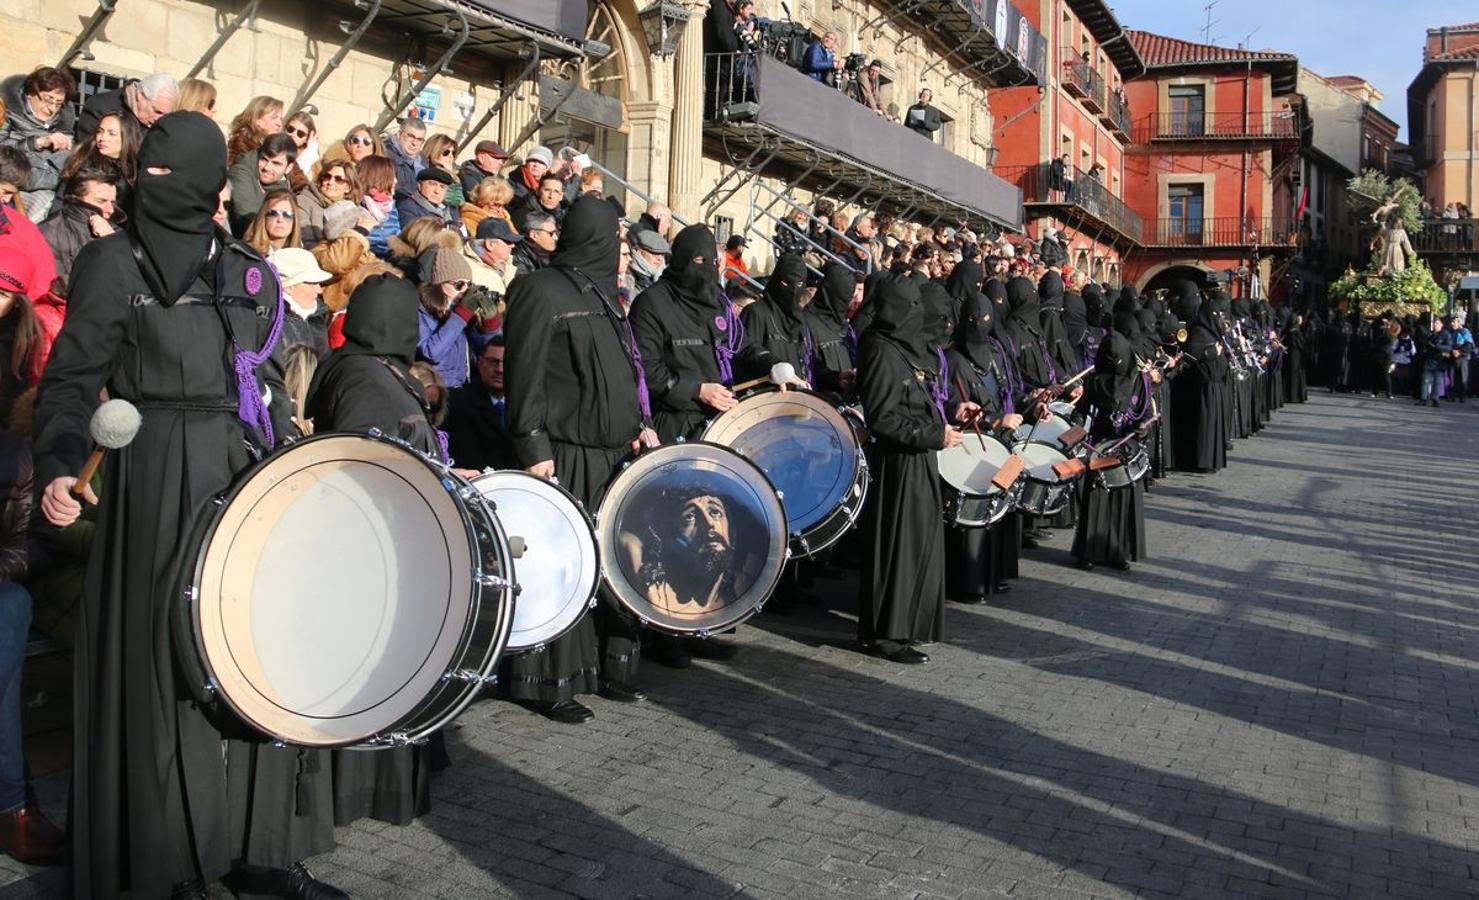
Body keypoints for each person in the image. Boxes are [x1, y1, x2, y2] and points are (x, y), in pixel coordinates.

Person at [32, 110, 343, 899]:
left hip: (241, 477)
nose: (157, 183)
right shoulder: (111, 261)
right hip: (149, 482)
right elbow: (70, 381)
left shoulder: (246, 269)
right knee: (160, 671)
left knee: (255, 661)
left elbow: (265, 381)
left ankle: (263, 852)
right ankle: (166, 863)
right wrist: (61, 466)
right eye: (151, 167)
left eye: (174, 170)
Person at [303, 274, 449, 830]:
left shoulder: (370, 369)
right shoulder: (366, 378)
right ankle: (369, 786)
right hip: (374, 548)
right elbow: (365, 464)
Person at [502, 195, 651, 722]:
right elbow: (525, 380)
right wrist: (533, 448)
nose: (621, 249)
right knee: (562, 568)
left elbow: (622, 372)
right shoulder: (539, 290)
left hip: (612, 453)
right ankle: (546, 683)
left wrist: (639, 427)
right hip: (563, 455)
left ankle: (604, 669)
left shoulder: (605, 294)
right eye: (616, 239)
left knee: (608, 565)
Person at [856, 275, 972, 664]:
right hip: (897, 464)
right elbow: (884, 419)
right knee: (897, 547)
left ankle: (908, 625)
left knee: (917, 544)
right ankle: (886, 633)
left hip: (918, 458)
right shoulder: (880, 349)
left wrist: (951, 413)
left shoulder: (904, 347)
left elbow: (916, 401)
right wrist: (933, 435)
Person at [0, 421, 65, 867]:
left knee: (6, 609)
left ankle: (11, 807)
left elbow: (41, 545)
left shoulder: (17, 455)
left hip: (8, 586)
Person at [944, 288, 1024, 602]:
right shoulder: (952, 358)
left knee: (997, 513)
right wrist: (993, 420)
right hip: (970, 445)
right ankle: (967, 581)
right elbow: (950, 402)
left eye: (986, 319)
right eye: (975, 320)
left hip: (999, 442)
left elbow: (1009, 387)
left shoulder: (995, 351)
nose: (981, 325)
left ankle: (993, 573)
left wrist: (1030, 402)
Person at [1071, 310, 1151, 571]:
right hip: (1100, 444)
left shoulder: (1139, 380)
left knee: (1122, 498)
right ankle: (1089, 551)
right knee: (1097, 497)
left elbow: (1147, 413)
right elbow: (1080, 410)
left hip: (1126, 444)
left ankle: (1118, 550)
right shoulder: (1094, 380)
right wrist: (1076, 427)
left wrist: (1142, 429)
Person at [0, 67, 76, 217]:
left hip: (46, 188)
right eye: (48, 100)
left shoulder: (63, 123)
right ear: (31, 94)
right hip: (10, 183)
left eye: (58, 103)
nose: (52, 108)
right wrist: (38, 142)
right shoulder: (7, 111)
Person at [1173, 286, 1230, 472]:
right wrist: (1211, 352)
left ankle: (1211, 459)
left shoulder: (1213, 333)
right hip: (1203, 388)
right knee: (1203, 426)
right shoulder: (1199, 332)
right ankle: (1200, 460)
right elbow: (1192, 356)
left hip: (1215, 386)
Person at [443, 335, 515, 470]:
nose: (500, 370)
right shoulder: (457, 404)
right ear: (480, 364)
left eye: (506, 362)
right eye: (493, 362)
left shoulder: (528, 405)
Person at [39, 163, 121, 279]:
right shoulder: (48, 233)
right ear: (76, 198)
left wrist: (111, 241)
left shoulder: (115, 232)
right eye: (101, 201)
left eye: (112, 202)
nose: (111, 210)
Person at [73, 72, 178, 144]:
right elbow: (87, 153)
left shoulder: (162, 126)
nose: (160, 119)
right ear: (141, 95)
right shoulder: (100, 107)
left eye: (165, 114)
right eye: (157, 111)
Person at [227, 131, 294, 235]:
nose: (267, 167)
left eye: (276, 163)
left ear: (288, 168)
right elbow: (246, 217)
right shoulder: (241, 171)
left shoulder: (284, 186)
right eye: (264, 159)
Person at [273, 247, 332, 357]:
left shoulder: (317, 316)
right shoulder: (271, 323)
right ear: (288, 287)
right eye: (312, 283)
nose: (319, 290)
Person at [296, 159, 359, 249]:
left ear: (348, 188)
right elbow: (306, 241)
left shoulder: (349, 209)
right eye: (327, 176)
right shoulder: (303, 202)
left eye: (339, 179)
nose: (330, 182)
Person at [465, 216, 520, 301]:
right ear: (490, 244)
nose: (513, 245)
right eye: (508, 241)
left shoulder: (508, 263)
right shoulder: (467, 268)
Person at [224, 95, 283, 167]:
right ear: (256, 119)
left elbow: (295, 173)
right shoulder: (242, 144)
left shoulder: (280, 145)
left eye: (281, 119)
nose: (279, 124)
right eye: (274, 118)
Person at [241, 188, 300, 255]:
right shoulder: (248, 252)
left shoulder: (302, 255)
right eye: (273, 213)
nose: (280, 220)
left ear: (295, 220)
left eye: (287, 215)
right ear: (263, 217)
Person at [385, 118, 427, 199]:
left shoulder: (423, 161)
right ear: (399, 134)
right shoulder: (385, 156)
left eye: (419, 139)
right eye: (411, 136)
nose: (414, 143)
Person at [422, 133, 463, 207]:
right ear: (434, 151)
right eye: (446, 152)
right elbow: (448, 200)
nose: (450, 156)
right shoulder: (424, 172)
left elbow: (460, 201)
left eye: (453, 153)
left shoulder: (455, 174)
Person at [513, 210, 557, 275]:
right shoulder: (518, 261)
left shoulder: (553, 253)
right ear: (534, 235)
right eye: (551, 233)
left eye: (555, 232)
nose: (556, 237)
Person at [629, 227, 670, 294]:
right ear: (639, 251)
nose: (659, 259)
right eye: (655, 254)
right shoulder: (628, 276)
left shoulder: (663, 278)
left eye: (662, 255)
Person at [1446, 315, 1473, 401]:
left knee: (1462, 377)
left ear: (1459, 322)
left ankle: (1462, 396)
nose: (1452, 324)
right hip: (1452, 356)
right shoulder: (1450, 332)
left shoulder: (1464, 332)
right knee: (1452, 377)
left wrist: (1460, 352)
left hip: (1462, 357)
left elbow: (1469, 345)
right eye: (1451, 322)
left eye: (1454, 322)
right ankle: (1452, 395)